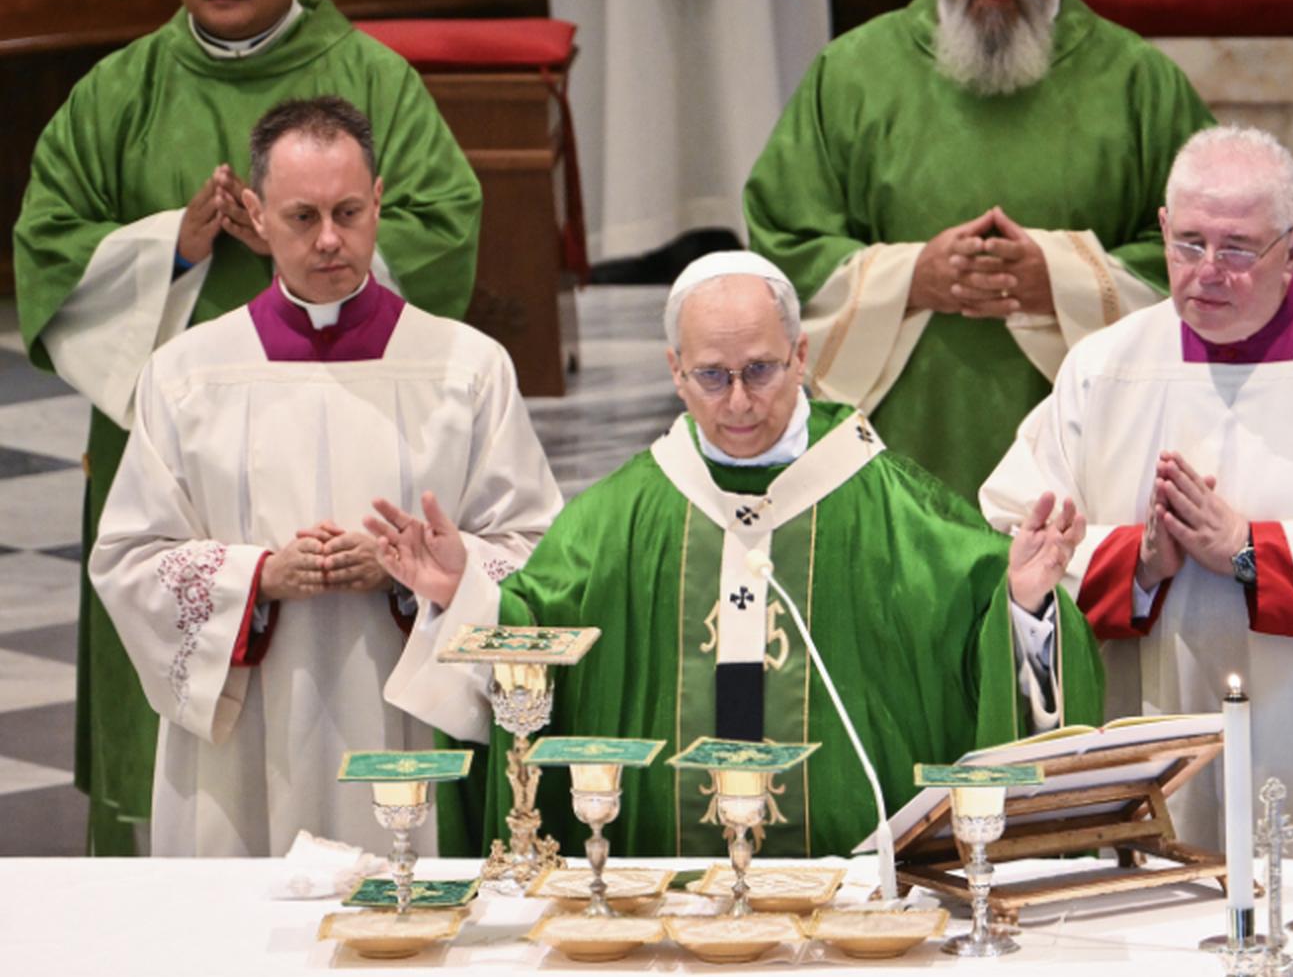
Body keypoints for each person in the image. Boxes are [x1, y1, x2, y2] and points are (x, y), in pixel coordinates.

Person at [11, 0, 482, 853]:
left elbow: (447, 225)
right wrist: (170, 248)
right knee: (192, 740)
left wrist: (313, 236)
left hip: (363, 432)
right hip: (181, 447)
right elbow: (45, 252)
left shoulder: (373, 80)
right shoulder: (118, 92)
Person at [374, 250, 1104, 857]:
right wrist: (462, 594)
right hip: (674, 890)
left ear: (802, 355)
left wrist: (1025, 599)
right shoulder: (626, 513)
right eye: (711, 377)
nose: (738, 404)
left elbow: (977, 608)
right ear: (673, 370)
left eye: (760, 370)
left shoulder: (885, 499)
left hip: (850, 888)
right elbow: (536, 630)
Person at [983, 126, 1293, 861]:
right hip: (1152, 731)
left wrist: (1249, 552)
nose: (1208, 271)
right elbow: (1018, 534)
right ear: (1162, 232)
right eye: (1189, 244)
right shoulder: (1102, 370)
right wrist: (1135, 566)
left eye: (1239, 249)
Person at [89, 96, 555, 858]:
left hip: (408, 710)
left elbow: (534, 548)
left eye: (348, 211)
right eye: (302, 217)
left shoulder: (467, 369)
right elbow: (129, 559)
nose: (330, 239)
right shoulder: (186, 374)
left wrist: (421, 574)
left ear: (379, 203)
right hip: (245, 742)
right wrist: (259, 578)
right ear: (255, 215)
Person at [745, 0, 1213, 503]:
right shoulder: (851, 76)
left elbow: (1212, 253)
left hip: (1085, 455)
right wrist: (910, 278)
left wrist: (1059, 277)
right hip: (899, 442)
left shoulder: (1139, 83)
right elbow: (783, 240)